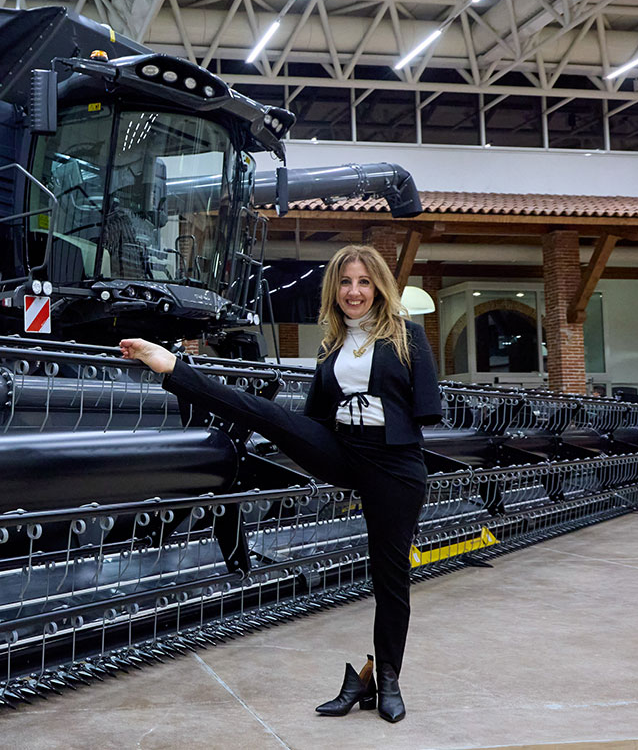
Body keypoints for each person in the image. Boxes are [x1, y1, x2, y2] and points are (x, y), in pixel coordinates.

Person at [119, 244, 441, 723]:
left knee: (390, 577)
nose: (354, 292)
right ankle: (173, 367)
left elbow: (427, 408)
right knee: (268, 415)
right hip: (345, 450)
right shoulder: (332, 343)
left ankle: (384, 677)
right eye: (346, 283)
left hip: (395, 465)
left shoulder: (407, 337)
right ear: (336, 290)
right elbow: (313, 416)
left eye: (364, 282)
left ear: (379, 288)